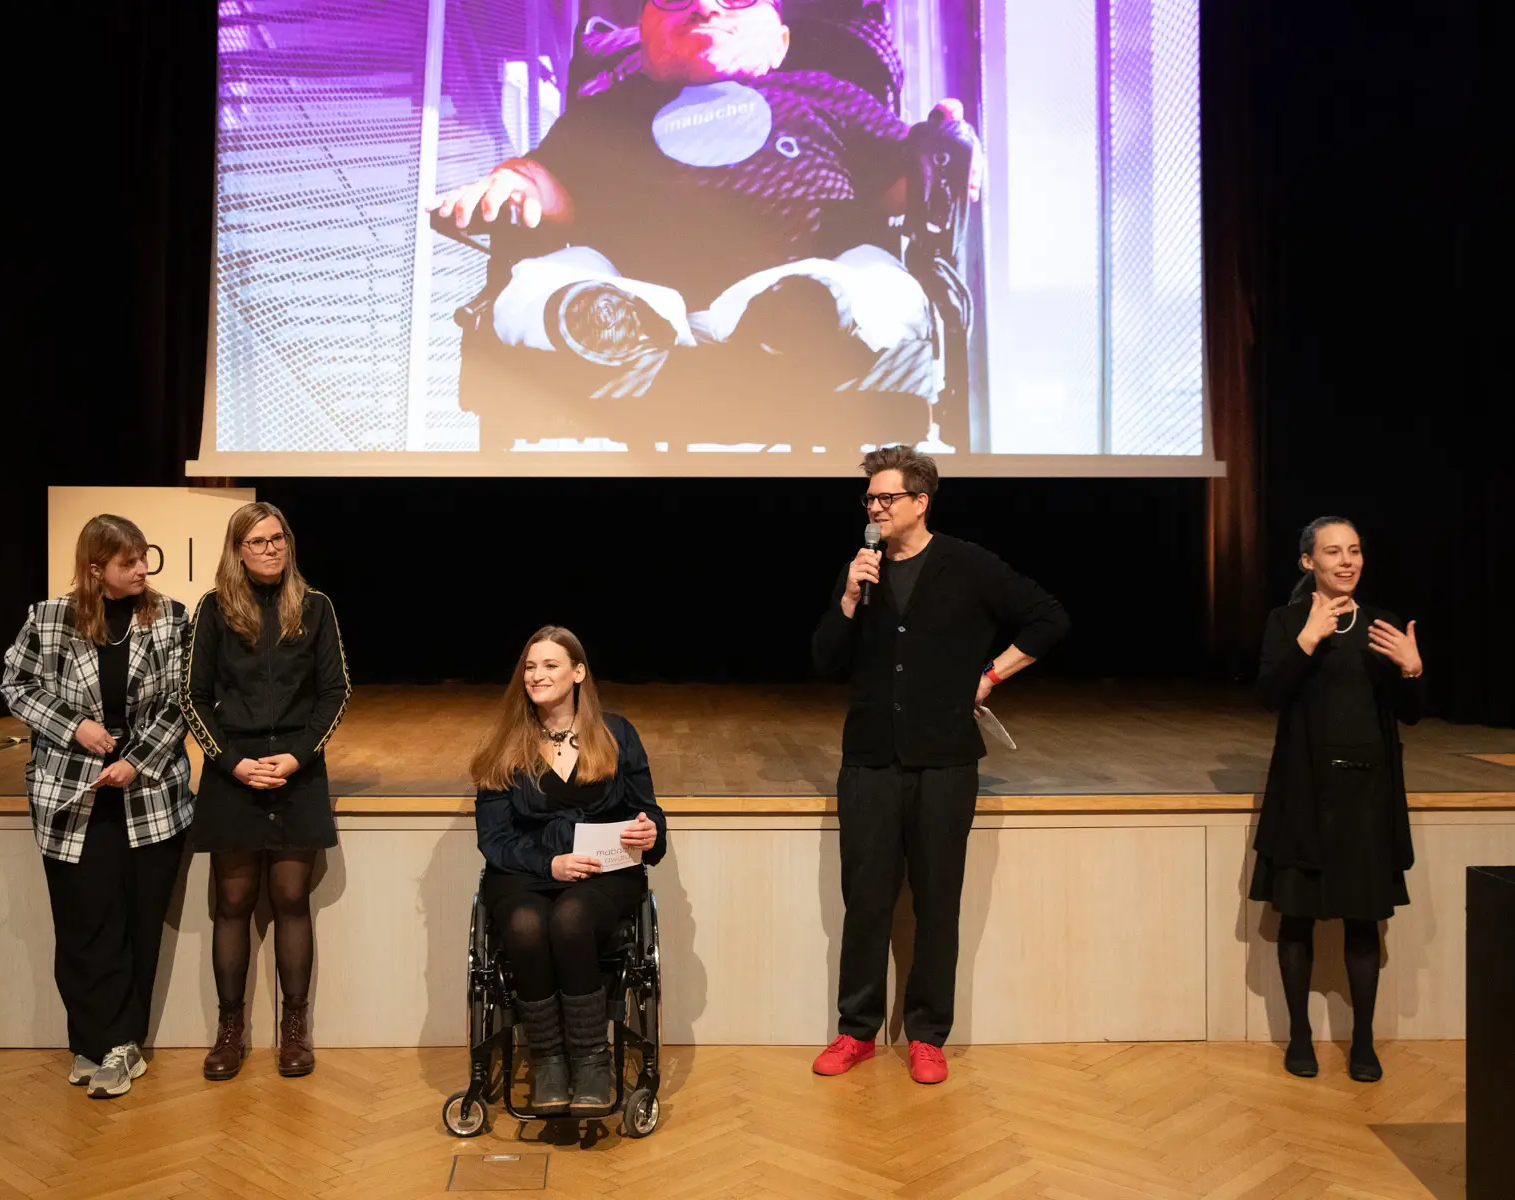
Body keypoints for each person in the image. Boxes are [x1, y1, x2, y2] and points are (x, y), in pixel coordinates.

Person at [429, 0, 979, 375]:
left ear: (780, 42)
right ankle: (604, 318)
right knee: (541, 278)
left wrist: (942, 157)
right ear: (644, 37)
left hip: (809, 274)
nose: (705, 4)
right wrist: (513, 182)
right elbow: (552, 179)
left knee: (875, 273)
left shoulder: (823, 95)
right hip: (639, 287)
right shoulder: (609, 112)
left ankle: (810, 314)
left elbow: (899, 182)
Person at [810, 446, 1068, 1084]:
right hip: (869, 760)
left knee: (937, 899)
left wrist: (991, 673)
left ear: (920, 502)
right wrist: (847, 597)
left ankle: (928, 1034)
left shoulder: (966, 564)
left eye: (885, 498)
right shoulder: (862, 572)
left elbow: (1048, 618)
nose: (874, 508)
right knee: (865, 899)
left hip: (945, 763)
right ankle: (856, 1031)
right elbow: (825, 661)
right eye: (869, 499)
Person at [1, 515, 194, 1099]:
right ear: (95, 569)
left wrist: (136, 761)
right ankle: (93, 1041)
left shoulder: (170, 618)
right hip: (71, 797)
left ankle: (121, 1044)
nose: (142, 570)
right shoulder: (49, 618)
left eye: (143, 559)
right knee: (85, 923)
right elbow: (17, 686)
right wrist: (76, 726)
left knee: (137, 920)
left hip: (148, 794)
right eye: (128, 562)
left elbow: (186, 698)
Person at [1250, 516, 1424, 1083]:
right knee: (1296, 918)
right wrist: (1308, 638)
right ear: (1309, 562)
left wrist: (1412, 668)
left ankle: (1364, 1042)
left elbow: (1411, 711)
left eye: (1354, 550)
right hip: (1305, 792)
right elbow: (1271, 694)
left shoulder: (1382, 626)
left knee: (1362, 921)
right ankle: (1300, 1037)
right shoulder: (1286, 621)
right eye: (1333, 551)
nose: (1346, 561)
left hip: (1366, 795)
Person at [183, 501, 351, 1081]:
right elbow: (193, 698)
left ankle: (294, 1030)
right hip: (234, 775)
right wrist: (233, 763)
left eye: (278, 537)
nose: (272, 548)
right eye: (258, 541)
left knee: (289, 898)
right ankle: (230, 1033)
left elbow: (335, 692)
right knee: (231, 902)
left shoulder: (317, 607)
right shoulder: (212, 610)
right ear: (237, 551)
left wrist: (296, 757)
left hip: (296, 774)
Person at [469, 626, 667, 1117]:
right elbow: (494, 840)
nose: (536, 675)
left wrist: (649, 833)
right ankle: (549, 1063)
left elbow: (650, 812)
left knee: (572, 919)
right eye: (530, 667)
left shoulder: (617, 734)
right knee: (525, 924)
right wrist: (549, 862)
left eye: (550, 665)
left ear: (578, 673)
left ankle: (592, 1064)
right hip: (525, 872)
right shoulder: (504, 742)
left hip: (602, 873)